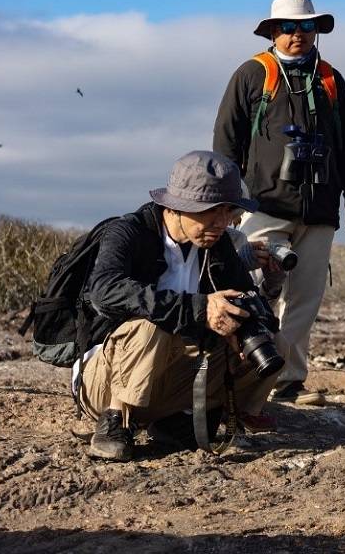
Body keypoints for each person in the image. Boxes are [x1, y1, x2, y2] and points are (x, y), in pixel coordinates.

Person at [213, 0, 345, 406]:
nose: (299, 34)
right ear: (273, 31)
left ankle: (287, 375)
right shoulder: (252, 74)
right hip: (263, 203)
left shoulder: (331, 79)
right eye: (289, 27)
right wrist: (225, 201)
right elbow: (226, 140)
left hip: (319, 209)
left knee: (305, 296)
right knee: (253, 287)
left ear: (317, 31)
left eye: (307, 26)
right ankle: (243, 369)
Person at [79, 150, 279, 461]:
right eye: (211, 212)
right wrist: (199, 308)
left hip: (167, 380)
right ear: (176, 207)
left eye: (228, 212)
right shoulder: (129, 231)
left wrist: (246, 323)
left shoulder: (219, 244)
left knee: (263, 341)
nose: (222, 223)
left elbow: (244, 296)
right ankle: (115, 422)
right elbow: (104, 291)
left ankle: (184, 418)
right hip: (105, 382)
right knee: (153, 326)